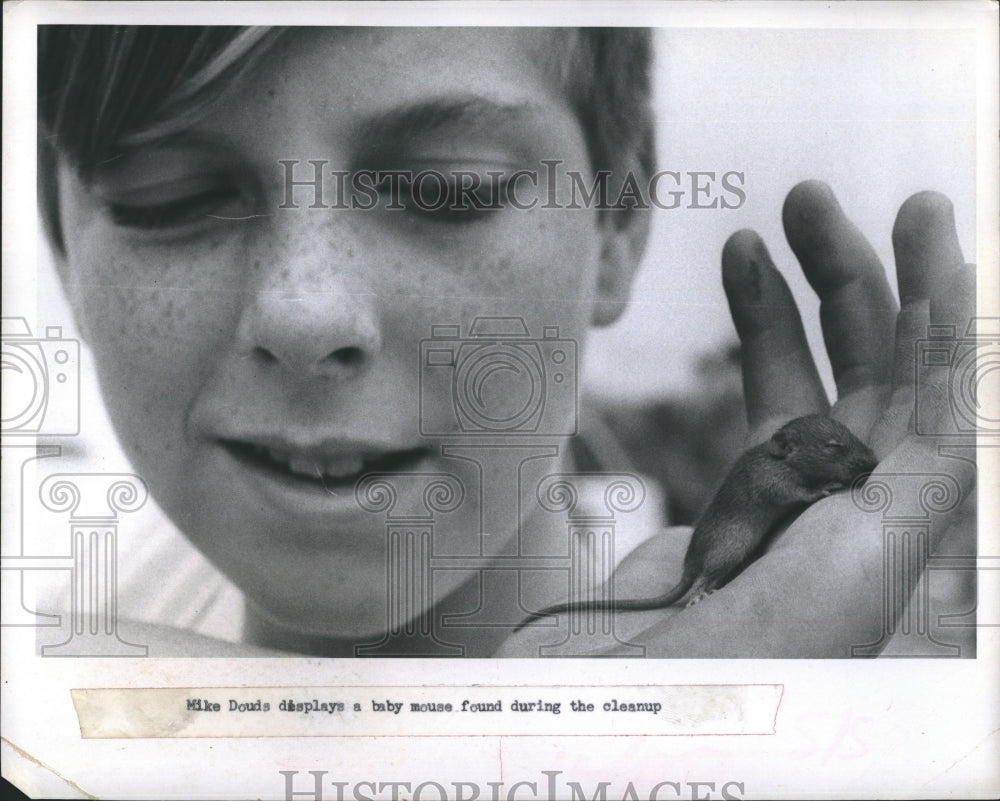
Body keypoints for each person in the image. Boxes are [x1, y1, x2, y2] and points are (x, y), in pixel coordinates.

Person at [36, 25, 976, 657]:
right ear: (62, 236)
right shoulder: (54, 652)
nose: (306, 310)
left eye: (451, 190)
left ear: (617, 217)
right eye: (167, 197)